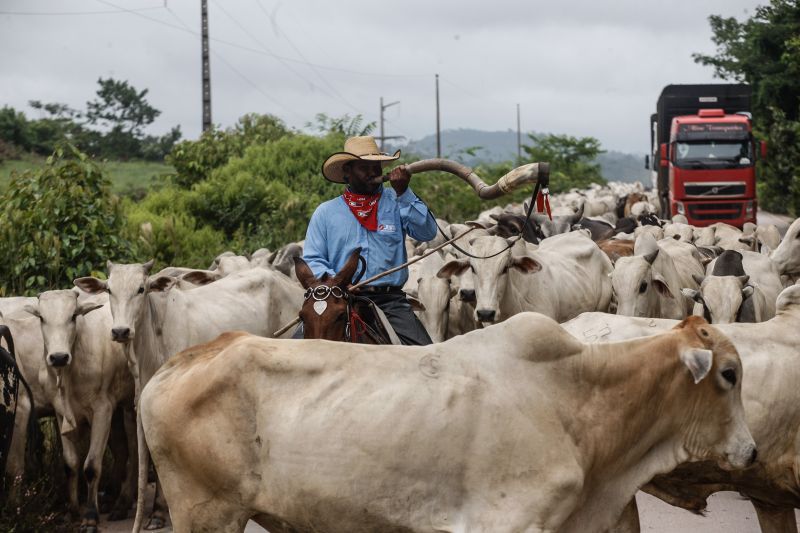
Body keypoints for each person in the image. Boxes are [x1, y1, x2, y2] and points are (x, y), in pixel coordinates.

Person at [296, 135, 438, 345]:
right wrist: (339, 281)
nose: (373, 172)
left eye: (377, 166)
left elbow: (427, 232)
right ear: (347, 171)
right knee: (296, 354)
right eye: (364, 167)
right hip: (338, 299)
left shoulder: (397, 200)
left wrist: (404, 192)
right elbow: (313, 259)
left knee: (425, 358)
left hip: (389, 301)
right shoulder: (325, 212)